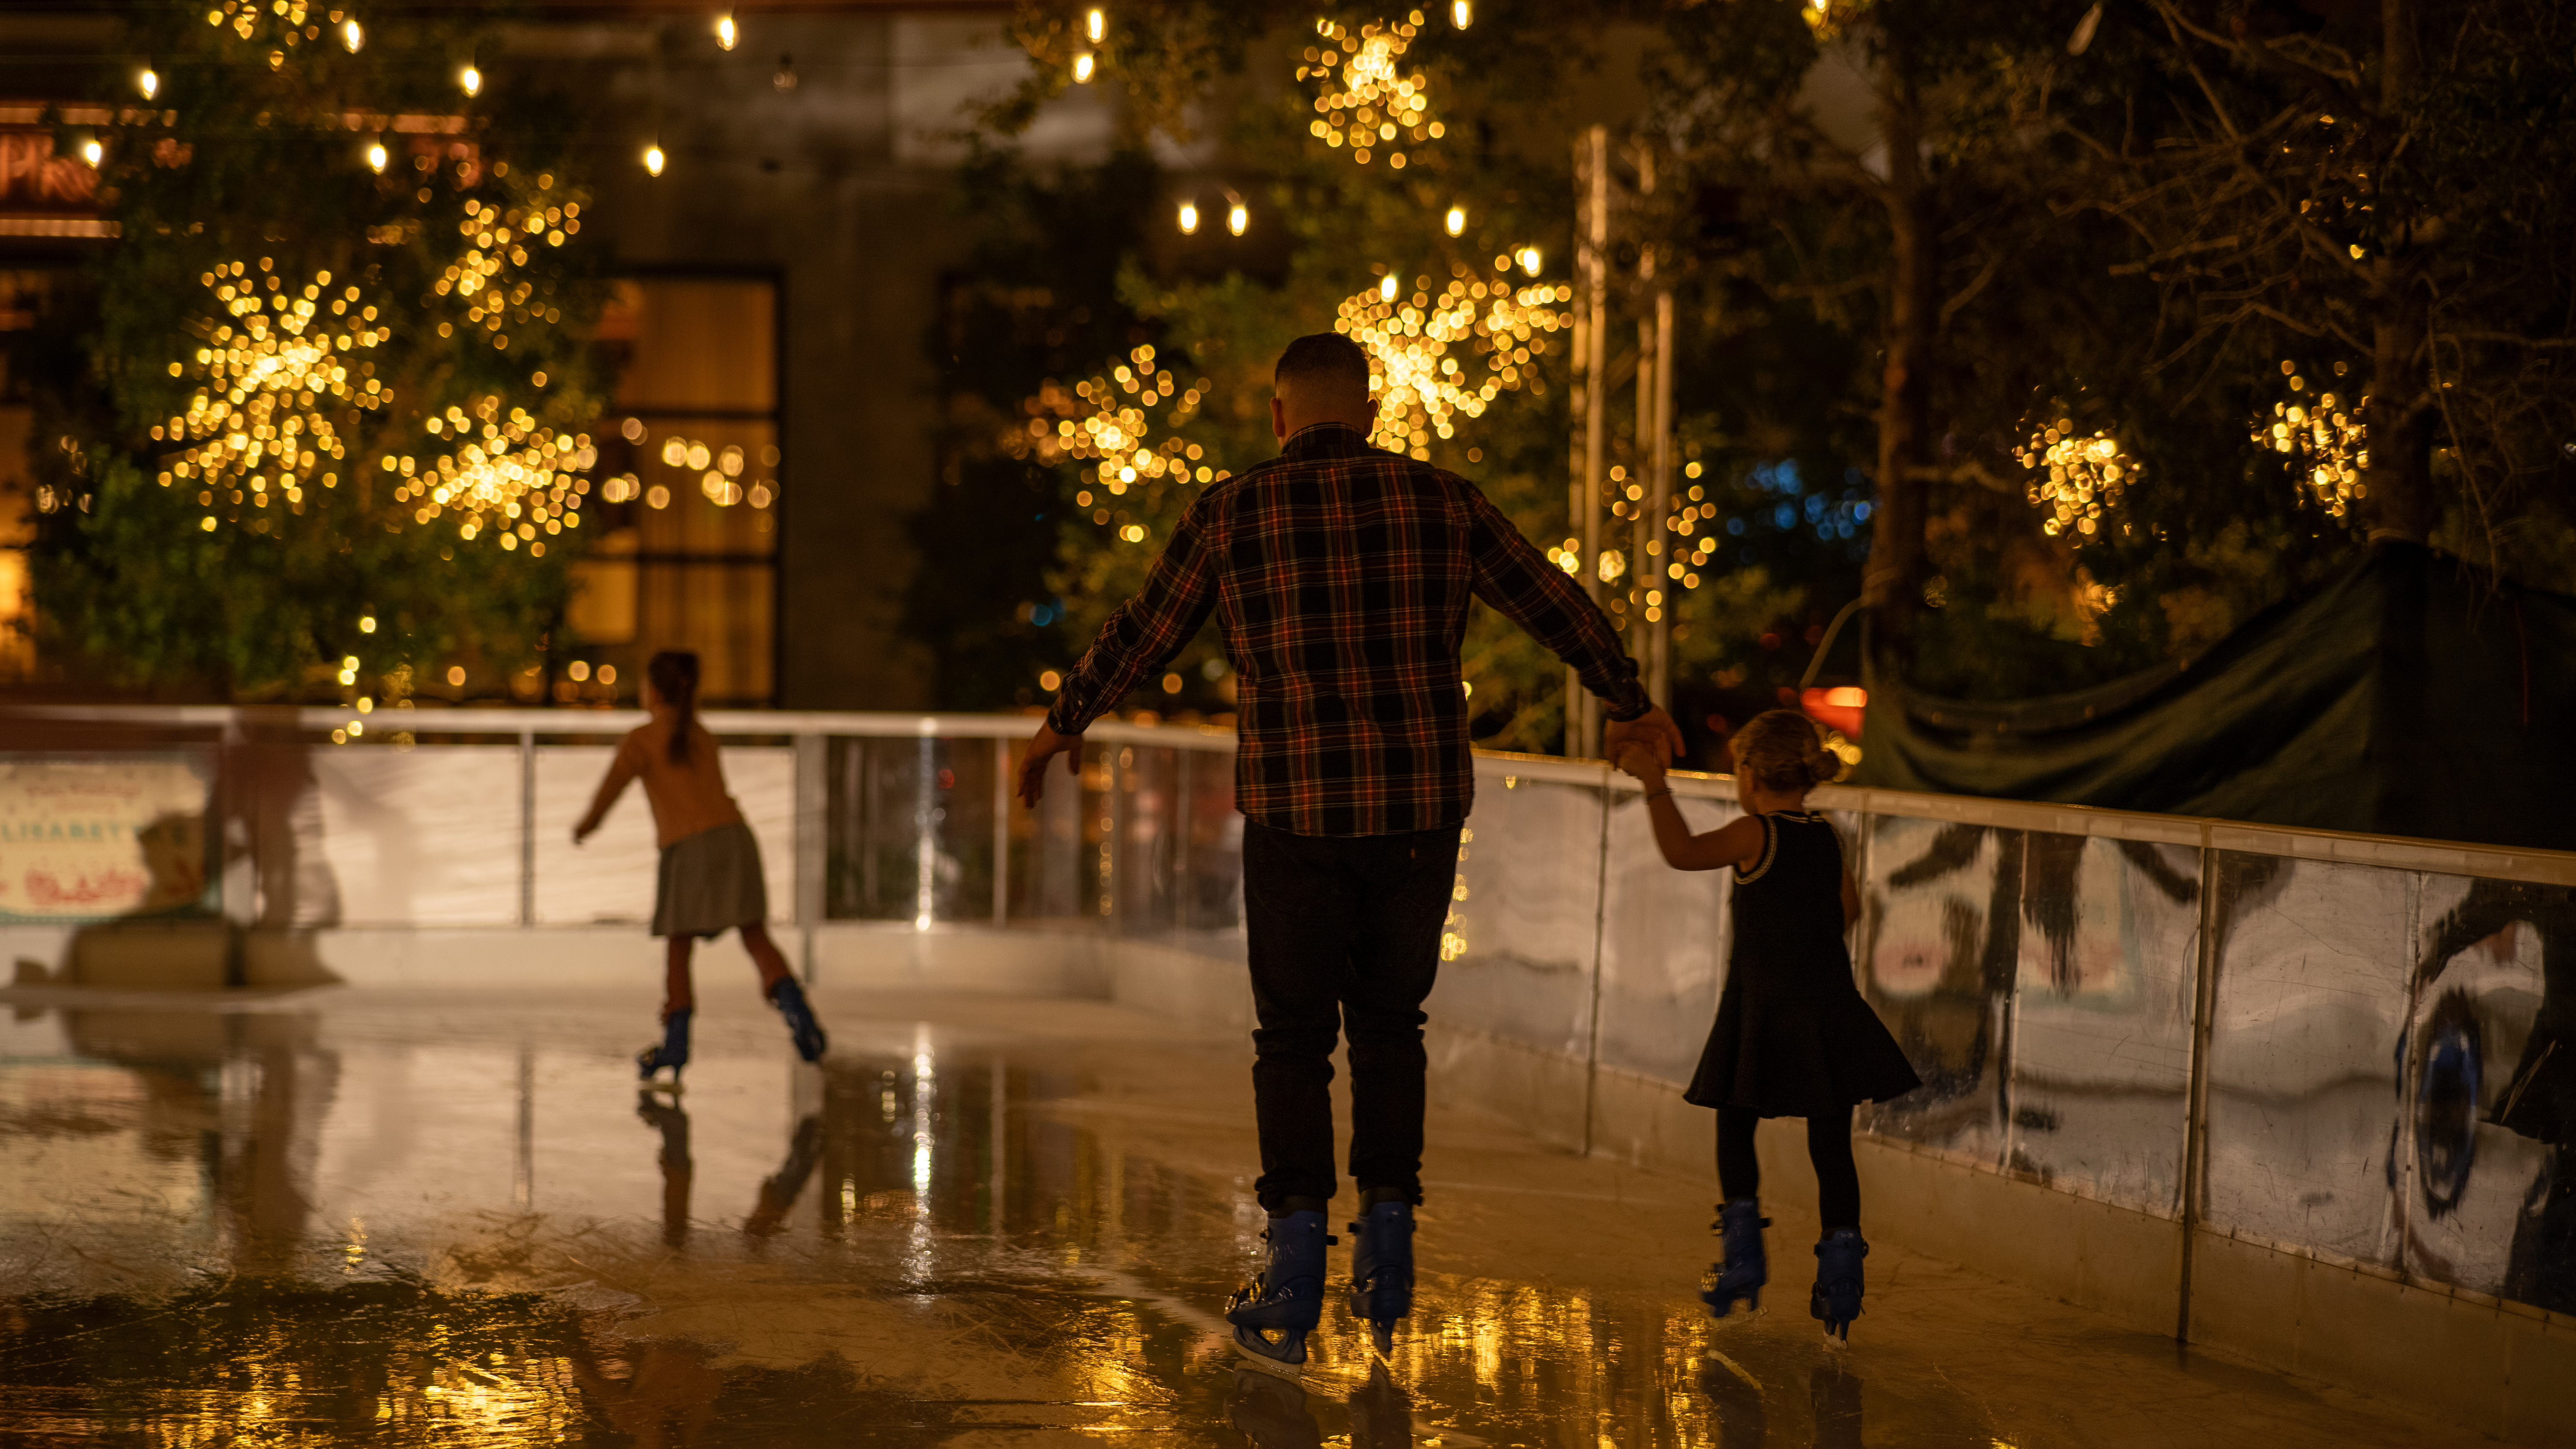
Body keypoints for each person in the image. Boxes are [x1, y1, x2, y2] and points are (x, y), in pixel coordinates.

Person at [1018, 332, 1683, 1370]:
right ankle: (1387, 1246)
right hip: (1418, 809)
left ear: (1279, 416)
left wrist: (1065, 721)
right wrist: (1632, 701)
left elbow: (1146, 629)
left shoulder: (1230, 512)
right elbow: (1556, 604)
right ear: (1370, 413)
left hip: (1292, 812)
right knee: (1390, 1025)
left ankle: (1292, 1274)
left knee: (1291, 1037)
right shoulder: (1444, 502)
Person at [1612, 709, 1920, 1343]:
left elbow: (1682, 852)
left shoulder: (1755, 834)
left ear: (1749, 775)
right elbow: (1851, 908)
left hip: (1762, 1009)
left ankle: (1743, 1262)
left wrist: (1652, 783)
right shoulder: (1825, 835)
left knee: (1735, 1124)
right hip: (1828, 1008)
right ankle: (1842, 1281)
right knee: (1831, 1147)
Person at [574, 650, 827, 1088]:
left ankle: (676, 1042)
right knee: (755, 935)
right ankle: (799, 1012)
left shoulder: (642, 739)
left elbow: (609, 793)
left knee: (678, 945)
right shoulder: (702, 736)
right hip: (735, 839)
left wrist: (585, 827)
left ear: (652, 690)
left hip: (688, 848)